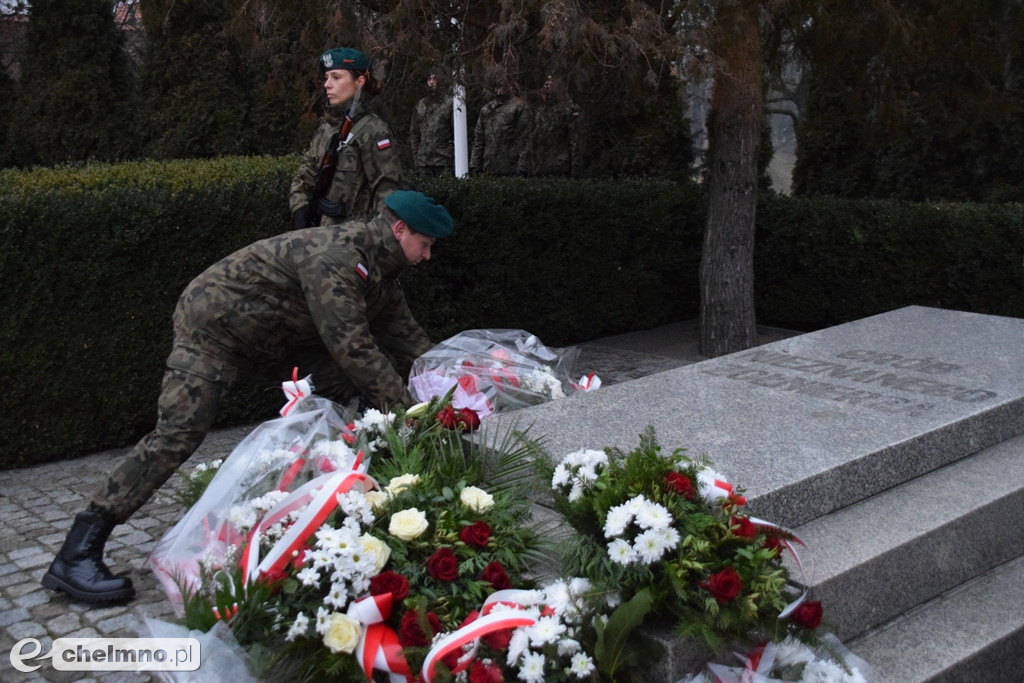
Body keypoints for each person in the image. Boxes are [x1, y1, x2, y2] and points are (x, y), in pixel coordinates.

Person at [41, 190, 453, 605]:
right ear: (400, 230)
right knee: (178, 433)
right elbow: (353, 347)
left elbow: (410, 341)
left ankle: (326, 506)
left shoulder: (381, 278)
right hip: (214, 325)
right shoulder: (337, 257)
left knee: (339, 393)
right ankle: (78, 551)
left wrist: (456, 388)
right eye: (426, 245)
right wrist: (407, 414)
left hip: (274, 338)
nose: (428, 256)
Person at [290, 47, 407, 229]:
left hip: (354, 242)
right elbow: (304, 176)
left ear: (359, 81)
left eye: (336, 77)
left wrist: (371, 239)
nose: (327, 84)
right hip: (319, 238)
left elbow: (389, 195)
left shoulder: (374, 131)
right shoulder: (326, 129)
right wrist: (300, 209)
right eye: (327, 77)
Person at [518, 74, 582, 177]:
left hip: (560, 170)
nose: (547, 84)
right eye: (546, 81)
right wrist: (523, 166)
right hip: (539, 169)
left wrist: (575, 174)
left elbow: (575, 142)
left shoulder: (570, 108)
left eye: (551, 81)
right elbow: (530, 138)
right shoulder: (541, 109)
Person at [469, 75, 529, 176]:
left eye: (502, 86)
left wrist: (522, 167)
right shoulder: (487, 110)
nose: (499, 89)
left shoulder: (519, 107)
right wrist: (475, 165)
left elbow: (525, 138)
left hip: (511, 169)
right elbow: (479, 140)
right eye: (497, 86)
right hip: (489, 168)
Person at [410, 72, 455, 175]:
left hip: (443, 161)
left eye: (434, 79)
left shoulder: (449, 103)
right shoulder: (420, 105)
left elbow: (456, 134)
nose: (431, 82)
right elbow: (414, 133)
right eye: (429, 79)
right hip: (423, 163)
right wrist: (416, 159)